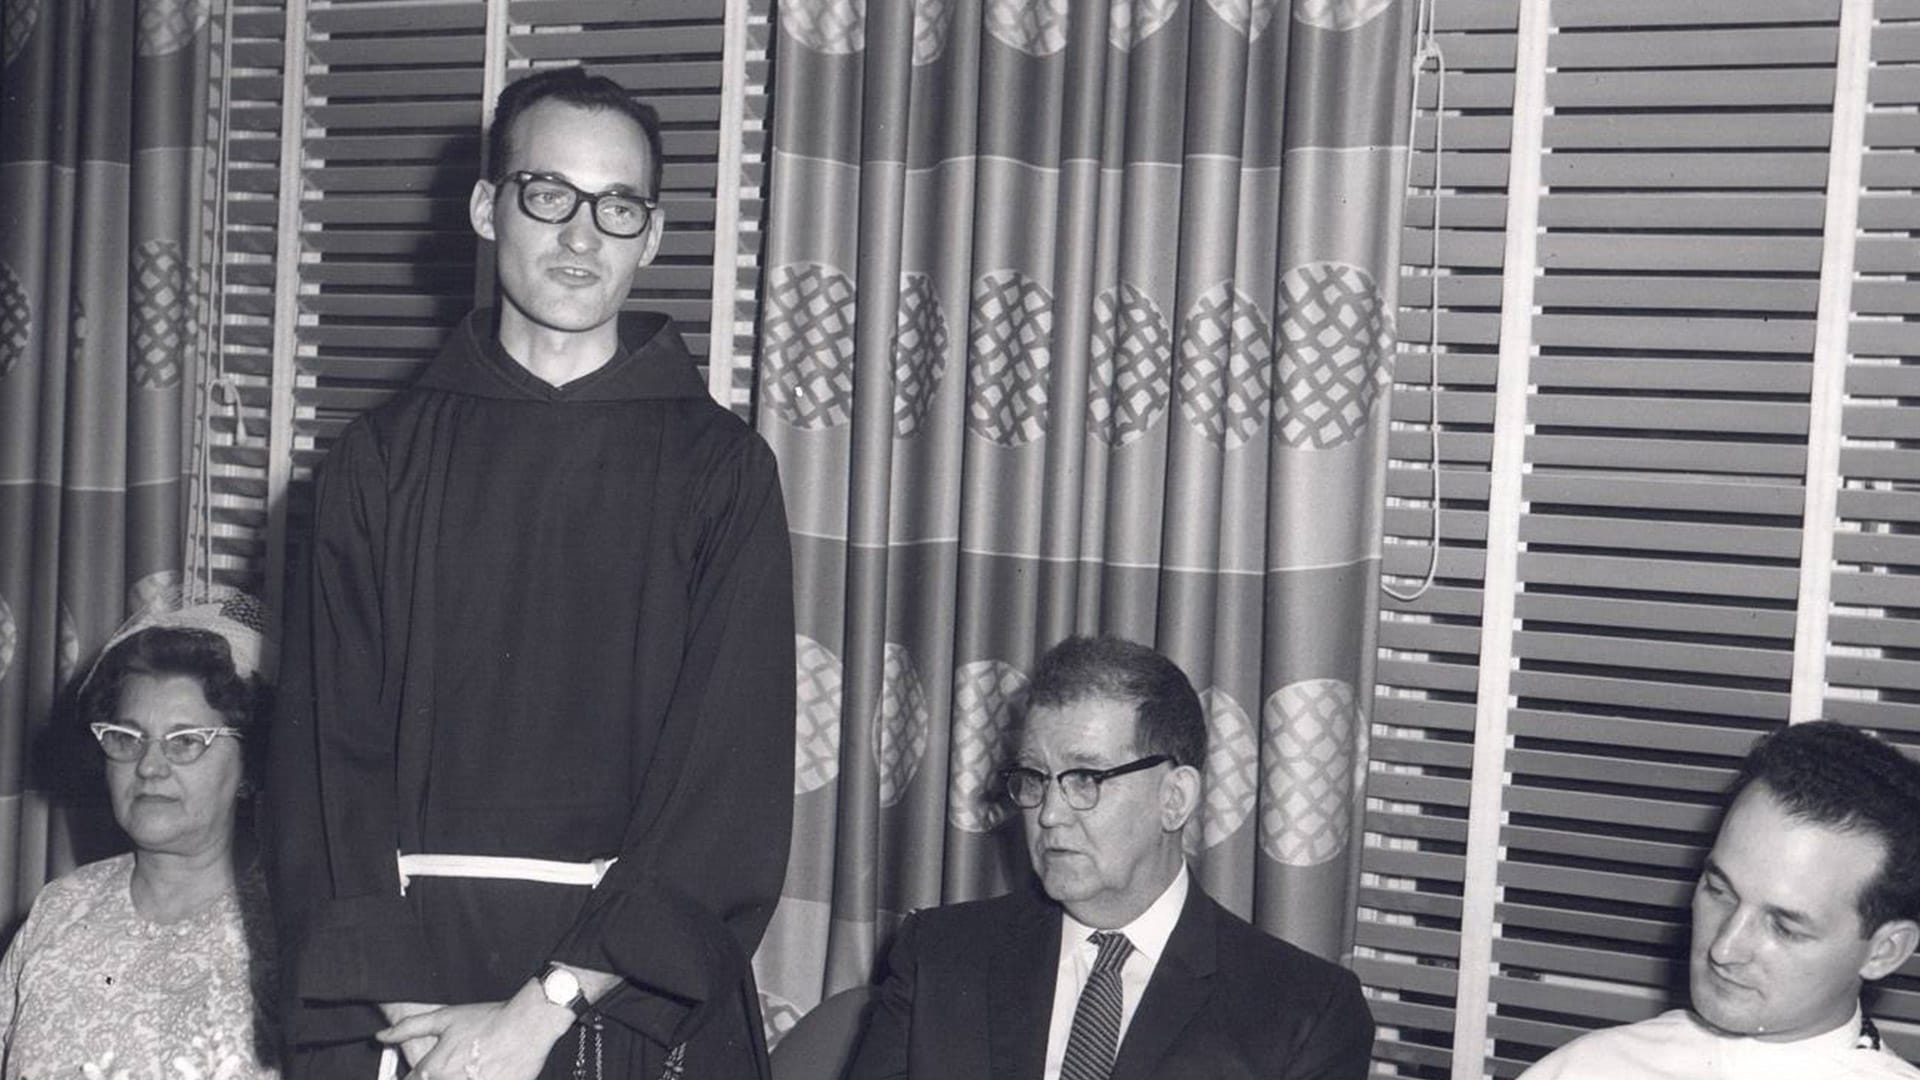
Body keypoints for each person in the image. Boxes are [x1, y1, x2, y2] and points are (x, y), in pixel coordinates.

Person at [269, 66, 795, 1080]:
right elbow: (324, 773)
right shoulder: (377, 462)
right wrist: (423, 1028)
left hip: (616, 1003)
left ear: (654, 234)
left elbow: (724, 798)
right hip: (399, 993)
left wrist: (535, 1016)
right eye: (547, 194)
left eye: (618, 205)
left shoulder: (722, 473)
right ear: (485, 207)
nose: (581, 234)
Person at [848, 635, 1374, 1080]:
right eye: (1034, 778)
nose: (1049, 814)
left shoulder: (1303, 1013)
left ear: (1175, 799)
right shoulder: (938, 956)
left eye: (1085, 779)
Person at [1518, 721, 1920, 1079]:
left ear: (1884, 951)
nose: (1724, 948)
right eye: (1719, 891)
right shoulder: (1587, 1068)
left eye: (1783, 926)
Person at [0, 592, 279, 1079]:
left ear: (250, 763)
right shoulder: (60, 910)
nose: (149, 766)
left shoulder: (288, 931)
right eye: (126, 737)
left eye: (186, 741)